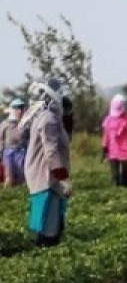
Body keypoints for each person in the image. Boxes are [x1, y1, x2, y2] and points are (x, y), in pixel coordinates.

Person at [21, 80, 72, 248]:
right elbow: (51, 153)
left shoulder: (49, 117)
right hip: (46, 177)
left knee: (51, 225)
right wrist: (63, 179)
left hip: (47, 176)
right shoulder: (48, 119)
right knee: (49, 230)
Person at [101, 94, 127, 187]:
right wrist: (104, 152)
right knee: (115, 177)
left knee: (125, 177)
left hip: (126, 150)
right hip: (113, 150)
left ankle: (125, 191)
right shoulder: (108, 119)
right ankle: (117, 191)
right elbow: (106, 136)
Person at [0, 98, 25, 188]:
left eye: (21, 108)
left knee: (21, 175)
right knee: (9, 175)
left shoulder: (25, 123)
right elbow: (1, 138)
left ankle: (20, 192)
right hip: (8, 152)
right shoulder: (5, 124)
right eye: (17, 108)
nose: (20, 111)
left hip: (21, 151)